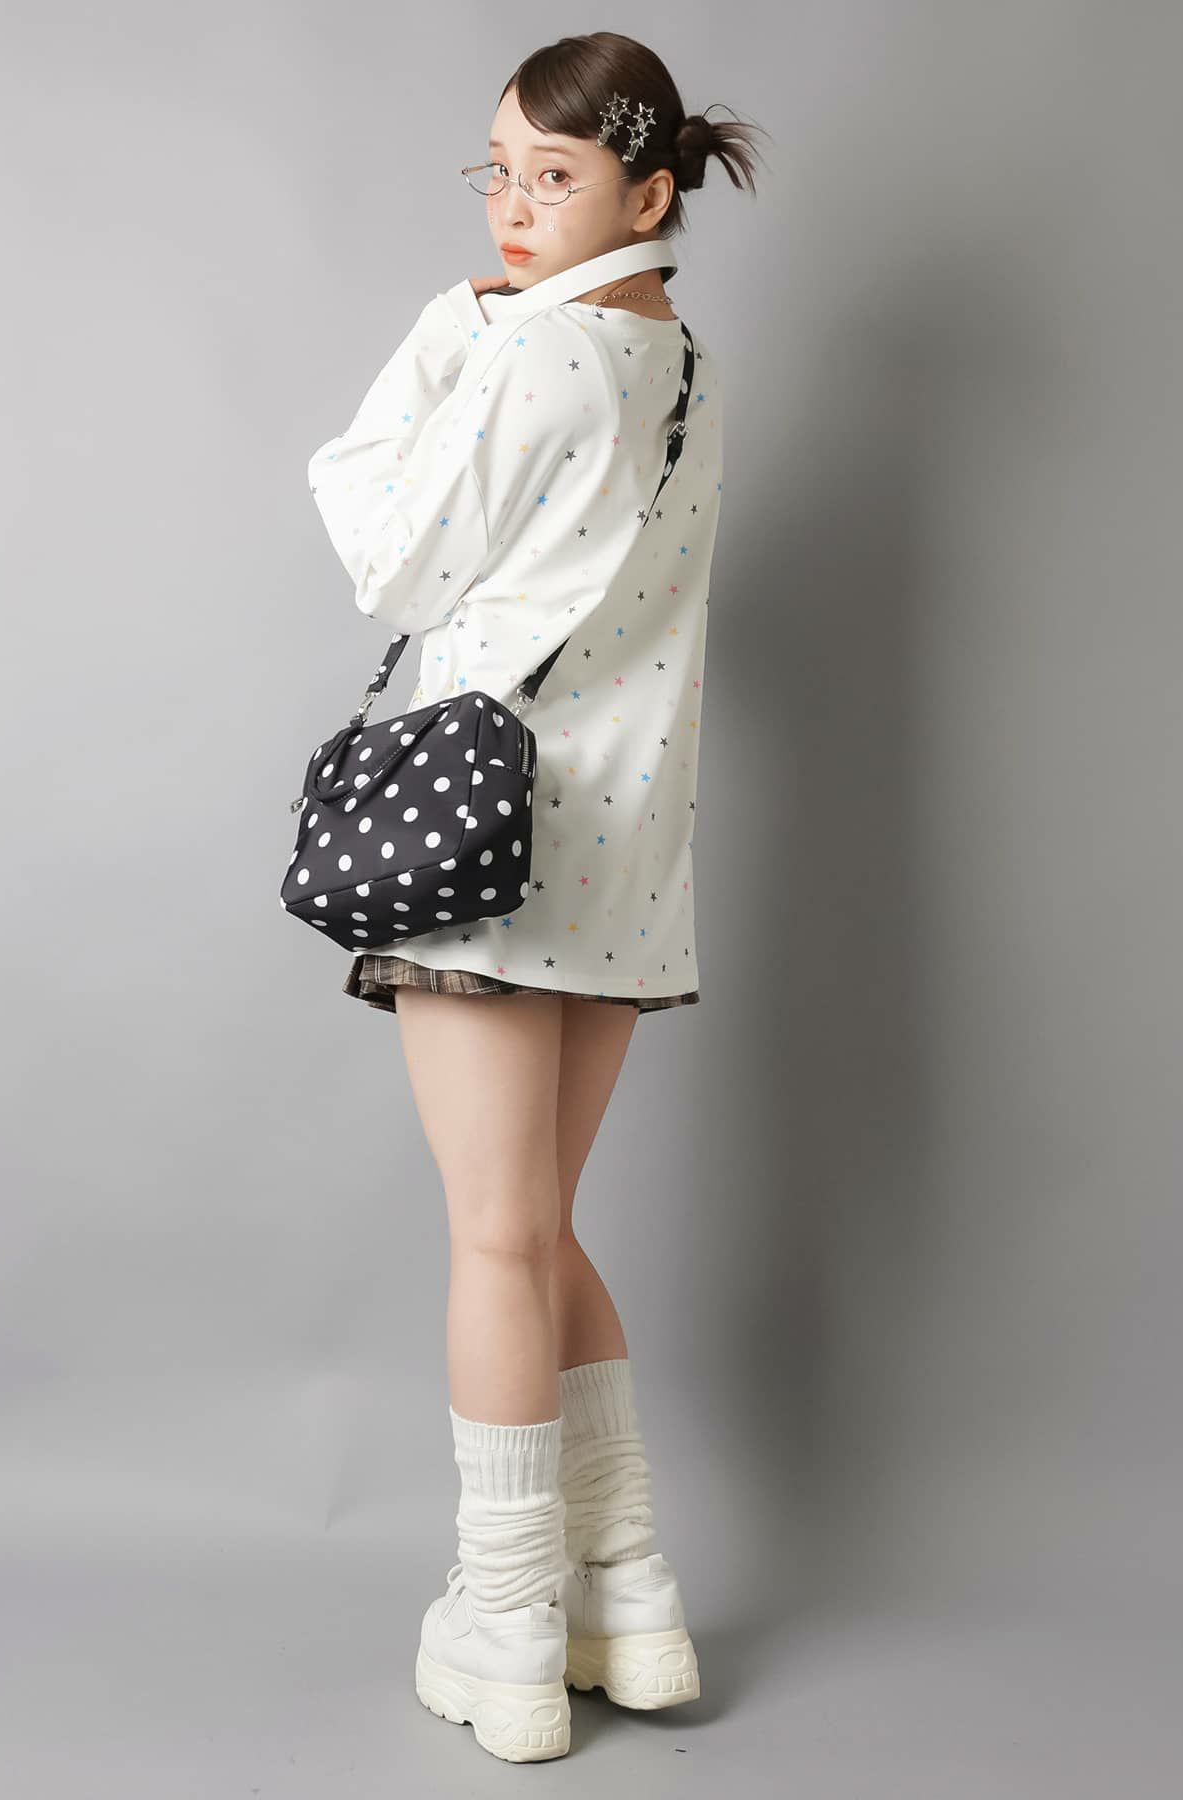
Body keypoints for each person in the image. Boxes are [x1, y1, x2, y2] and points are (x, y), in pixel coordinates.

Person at [305, 31, 765, 1763]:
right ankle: (625, 1597)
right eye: (495, 170)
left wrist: (441, 345)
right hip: (626, 851)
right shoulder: (686, 360)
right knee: (545, 1227)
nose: (511, 206)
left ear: (645, 195)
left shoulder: (528, 351)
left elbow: (386, 554)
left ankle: (504, 1627)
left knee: (496, 1239)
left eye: (553, 178)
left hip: (484, 840)